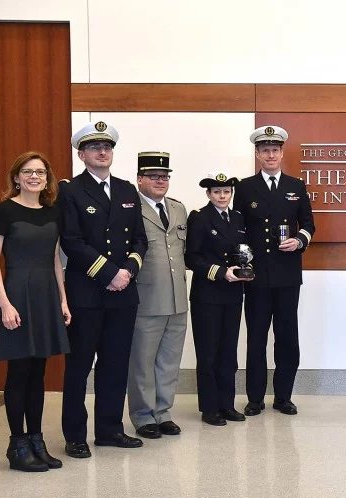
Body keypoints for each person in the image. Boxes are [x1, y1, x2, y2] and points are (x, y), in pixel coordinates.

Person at [58, 121, 148, 457]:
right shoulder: (70, 191)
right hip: (87, 293)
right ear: (81, 154)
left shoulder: (126, 190)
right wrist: (109, 273)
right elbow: (72, 241)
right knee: (79, 366)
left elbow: (140, 239)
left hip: (123, 294)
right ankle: (75, 435)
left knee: (116, 364)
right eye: (94, 147)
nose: (102, 152)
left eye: (107, 147)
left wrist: (128, 271)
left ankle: (110, 429)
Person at [0, 152, 71, 472]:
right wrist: (5, 304)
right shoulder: (2, 211)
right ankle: (17, 445)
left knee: (38, 373)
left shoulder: (54, 213)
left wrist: (62, 300)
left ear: (47, 179)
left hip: (46, 295)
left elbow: (55, 260)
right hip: (17, 294)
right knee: (19, 371)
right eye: (27, 171)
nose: (34, 176)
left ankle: (36, 441)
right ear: (16, 178)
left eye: (40, 172)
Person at [234, 125, 315, 416]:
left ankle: (283, 397)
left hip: (287, 275)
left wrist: (300, 240)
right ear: (257, 154)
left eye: (275, 150)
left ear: (282, 153)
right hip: (256, 276)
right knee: (256, 338)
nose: (270, 155)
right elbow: (239, 230)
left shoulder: (296, 186)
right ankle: (255, 398)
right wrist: (243, 265)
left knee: (287, 338)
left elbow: (309, 224)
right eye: (265, 150)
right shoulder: (245, 188)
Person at [127, 152, 188, 439]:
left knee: (169, 361)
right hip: (146, 298)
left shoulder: (178, 209)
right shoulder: (130, 208)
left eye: (164, 176)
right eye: (153, 176)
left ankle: (163, 412)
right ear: (139, 179)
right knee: (142, 362)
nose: (160, 181)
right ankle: (142, 416)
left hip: (177, 299)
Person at [186, 172, 248, 426]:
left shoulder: (238, 218)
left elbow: (243, 251)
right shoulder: (199, 217)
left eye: (226, 192)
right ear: (208, 194)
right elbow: (192, 257)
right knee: (208, 353)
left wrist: (246, 266)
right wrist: (221, 272)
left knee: (228, 352)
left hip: (232, 294)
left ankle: (227, 404)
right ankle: (210, 408)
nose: (223, 196)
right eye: (217, 192)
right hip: (208, 294)